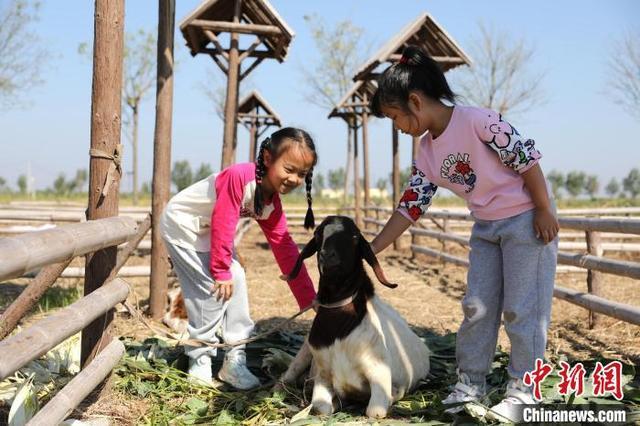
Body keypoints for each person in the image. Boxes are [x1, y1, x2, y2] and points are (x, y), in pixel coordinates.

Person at [368, 45, 559, 422]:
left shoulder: (478, 122)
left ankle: (525, 391)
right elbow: (411, 205)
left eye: (394, 117)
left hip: (524, 223)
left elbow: (526, 160)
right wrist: (373, 248)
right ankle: (471, 383)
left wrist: (543, 208)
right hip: (486, 228)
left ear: (415, 101)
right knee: (477, 309)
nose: (397, 126)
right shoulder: (426, 152)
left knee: (523, 310)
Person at [161, 127, 318, 390]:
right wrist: (221, 270)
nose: (294, 179)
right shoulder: (240, 177)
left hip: (208, 231)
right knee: (210, 289)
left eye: (302, 174)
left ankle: (234, 359)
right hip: (184, 226)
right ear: (268, 159)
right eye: (289, 169)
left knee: (238, 278)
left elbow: (285, 247)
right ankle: (199, 361)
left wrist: (307, 298)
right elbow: (223, 220)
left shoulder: (270, 203)